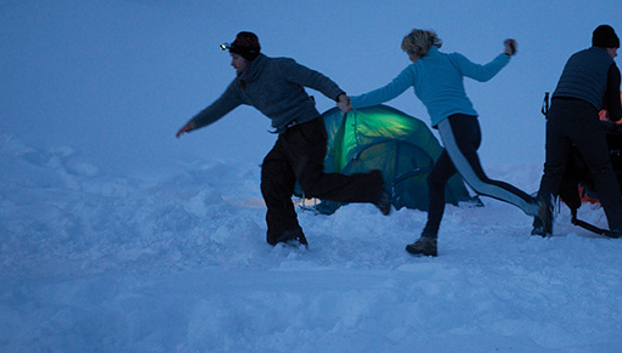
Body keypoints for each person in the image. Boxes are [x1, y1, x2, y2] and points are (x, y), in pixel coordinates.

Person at [177, 31, 390, 247]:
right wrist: (194, 123)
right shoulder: (242, 86)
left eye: (235, 58)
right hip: (286, 135)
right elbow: (219, 106)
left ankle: (373, 187)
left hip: (308, 129)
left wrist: (338, 95)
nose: (232, 64)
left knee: (312, 184)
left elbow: (314, 78)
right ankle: (286, 233)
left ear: (248, 57)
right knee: (272, 177)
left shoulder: (278, 67)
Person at [346, 29, 538, 257]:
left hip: (451, 127)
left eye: (408, 51)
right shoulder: (452, 59)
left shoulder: (415, 70)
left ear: (415, 50)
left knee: (479, 183)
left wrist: (352, 103)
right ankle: (429, 240)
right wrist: (505, 55)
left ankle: (535, 207)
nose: (408, 56)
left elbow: (387, 92)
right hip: (471, 126)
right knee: (436, 180)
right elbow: (484, 74)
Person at [535, 24, 622, 239]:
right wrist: (612, 116)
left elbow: (573, 87)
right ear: (609, 46)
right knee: (602, 169)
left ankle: (541, 224)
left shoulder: (576, 57)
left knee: (552, 171)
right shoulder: (610, 66)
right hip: (582, 115)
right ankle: (619, 225)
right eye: (615, 49)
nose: (616, 53)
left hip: (555, 113)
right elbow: (616, 111)